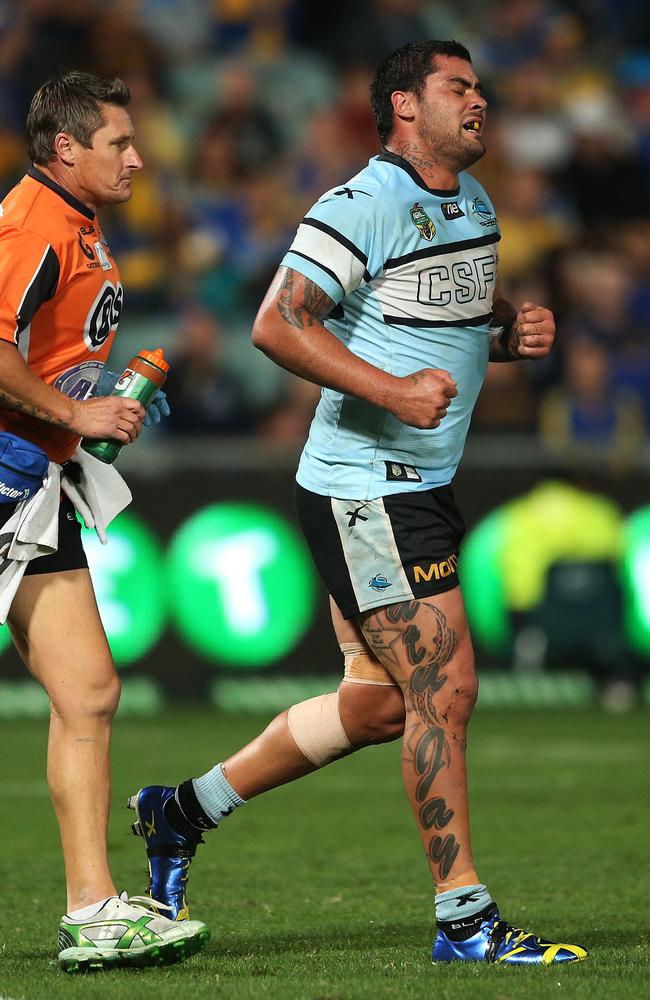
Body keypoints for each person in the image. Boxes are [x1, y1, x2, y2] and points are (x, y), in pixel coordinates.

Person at [130, 40, 588, 966]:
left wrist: (506, 333)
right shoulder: (363, 202)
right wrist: (391, 394)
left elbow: (423, 321)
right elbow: (277, 323)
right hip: (368, 486)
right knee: (444, 689)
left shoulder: (472, 202)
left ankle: (180, 810)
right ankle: (465, 921)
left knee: (382, 707)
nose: (480, 101)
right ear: (404, 107)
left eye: (480, 87)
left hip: (413, 482)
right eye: (458, 87)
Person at [0, 71, 209, 971]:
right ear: (65, 150)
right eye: (118, 143)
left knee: (87, 692)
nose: (135, 156)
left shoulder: (78, 227)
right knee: (88, 695)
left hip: (29, 486)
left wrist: (94, 396)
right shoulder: (30, 225)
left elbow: (48, 355)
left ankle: (93, 910)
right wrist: (75, 412)